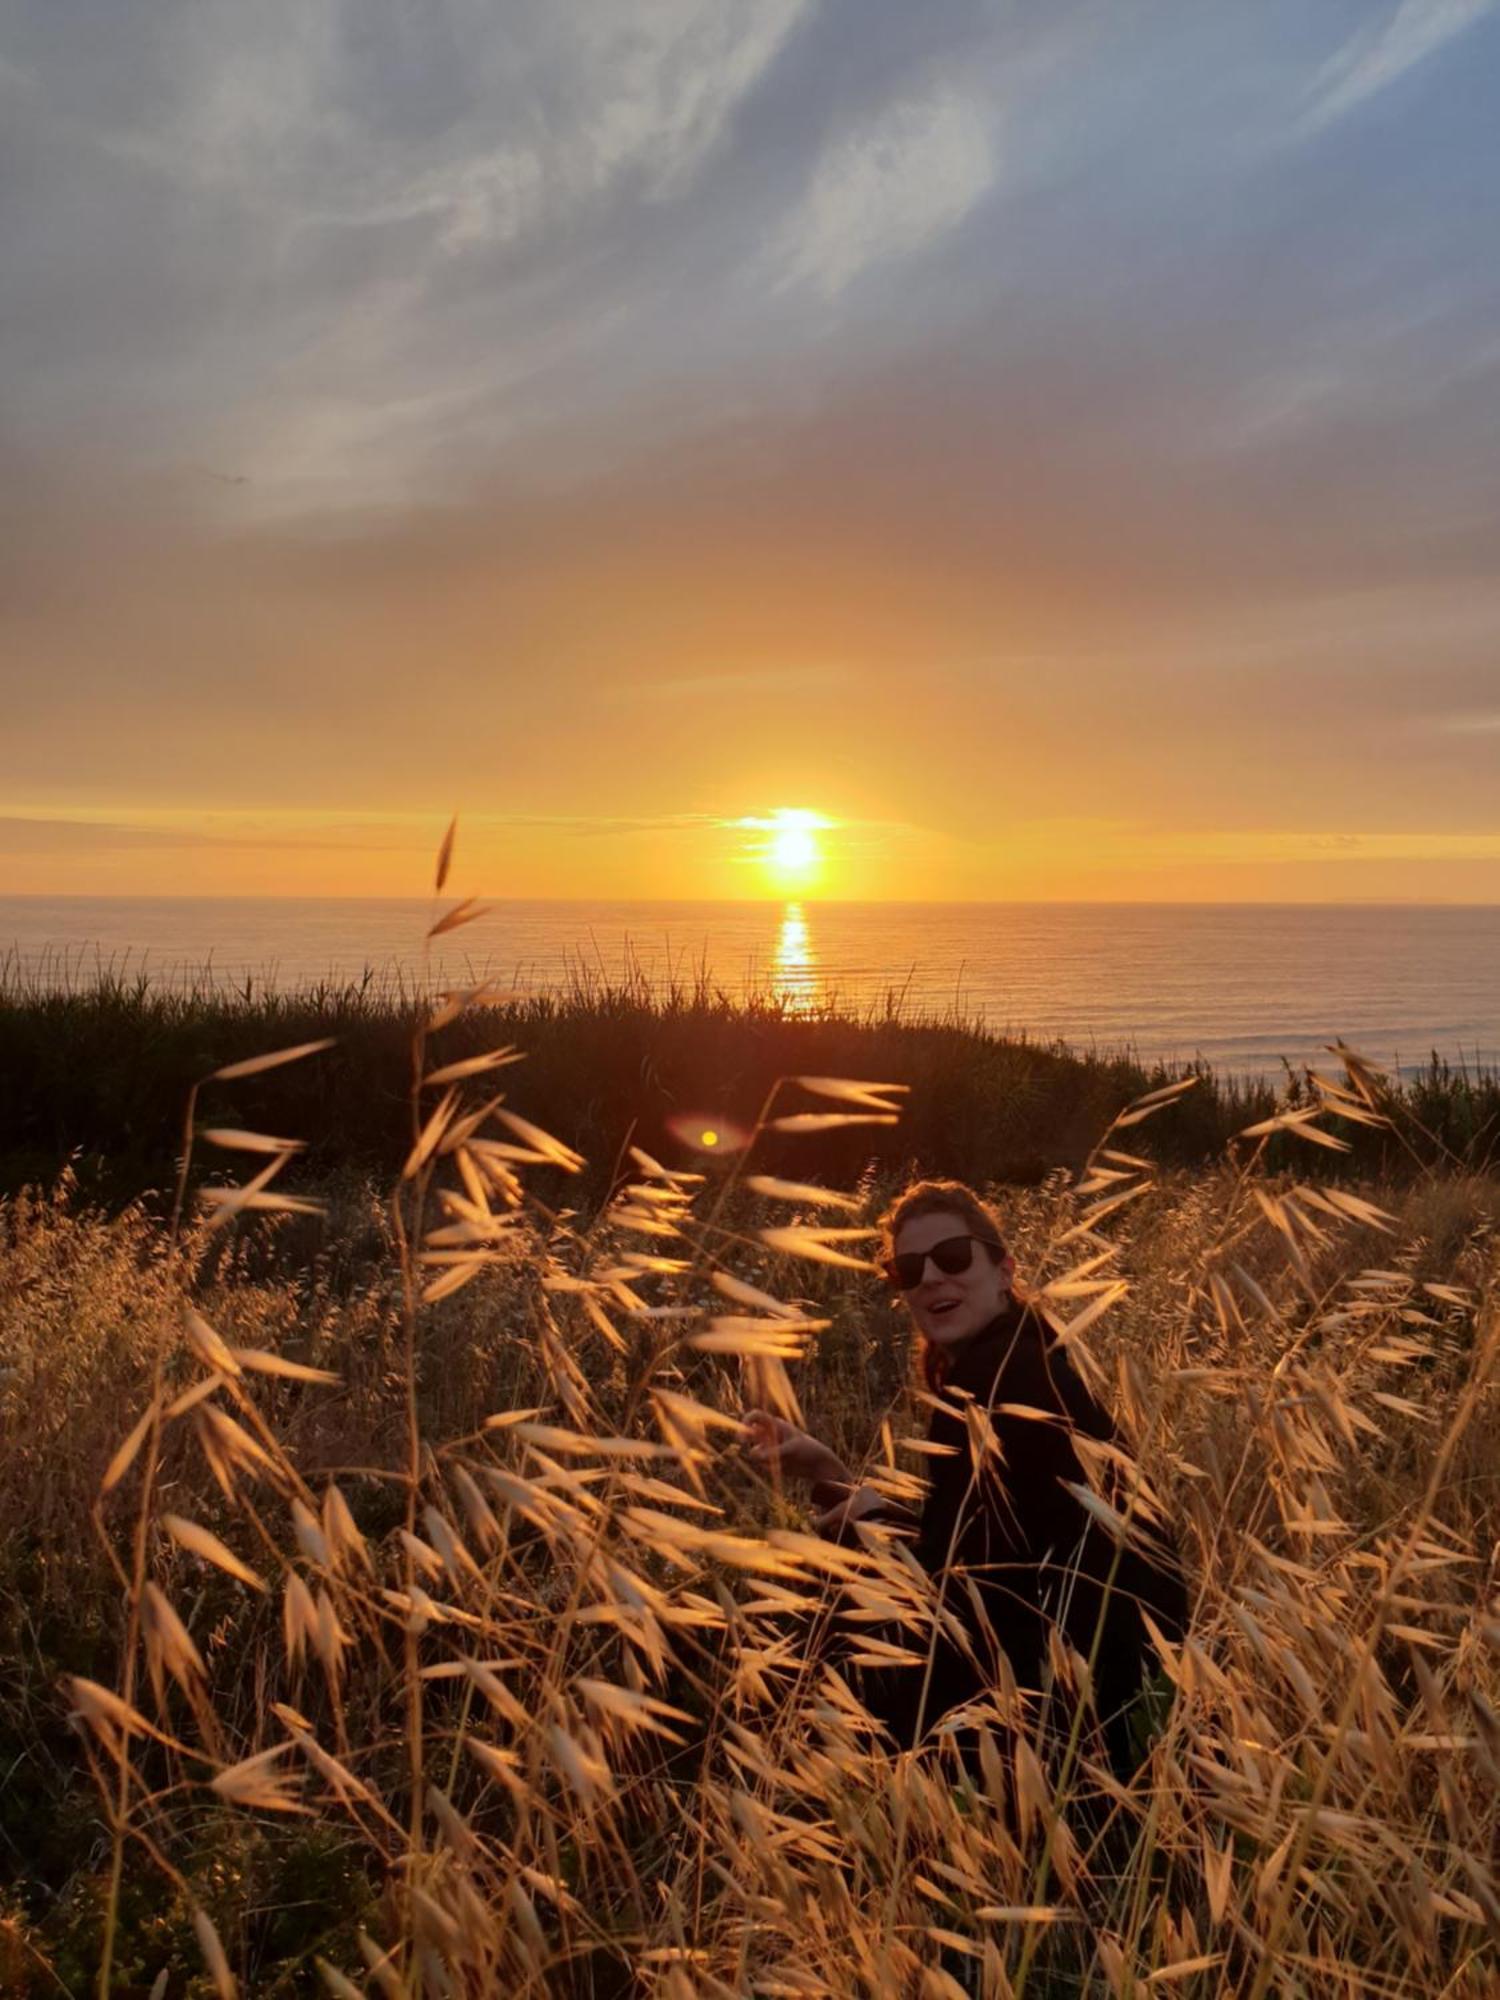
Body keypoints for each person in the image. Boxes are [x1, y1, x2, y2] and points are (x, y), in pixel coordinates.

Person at [743, 1178, 1188, 1775]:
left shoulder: (994, 1382)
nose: (930, 1278)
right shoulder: (1029, 1355)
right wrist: (834, 1476)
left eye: (952, 1257)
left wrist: (863, 1524)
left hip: (1074, 1727)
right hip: (1128, 1703)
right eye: (909, 1268)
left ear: (1004, 1269)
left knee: (799, 1626)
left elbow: (954, 1595)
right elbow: (976, 1555)